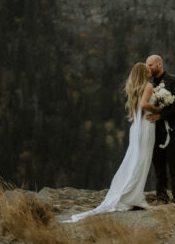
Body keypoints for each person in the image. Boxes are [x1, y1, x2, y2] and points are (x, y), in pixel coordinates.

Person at [67, 62, 156, 221]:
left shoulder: (134, 88)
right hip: (146, 126)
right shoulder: (148, 86)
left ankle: (132, 194)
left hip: (137, 127)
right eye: (147, 69)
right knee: (143, 160)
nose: (150, 70)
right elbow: (144, 105)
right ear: (143, 72)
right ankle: (134, 196)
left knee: (135, 160)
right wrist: (160, 110)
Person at [145, 53, 175, 203]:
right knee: (158, 164)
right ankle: (161, 196)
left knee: (174, 163)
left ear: (159, 65)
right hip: (153, 130)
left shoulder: (173, 80)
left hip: (172, 128)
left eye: (150, 65)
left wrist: (161, 116)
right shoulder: (148, 84)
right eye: (147, 65)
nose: (148, 68)